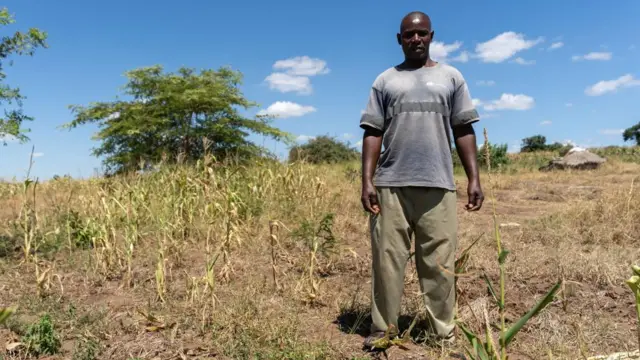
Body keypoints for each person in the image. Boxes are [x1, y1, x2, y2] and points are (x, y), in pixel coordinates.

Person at [359, 10, 484, 348]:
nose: (416, 39)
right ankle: (384, 331)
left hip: (439, 184)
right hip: (390, 185)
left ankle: (443, 334)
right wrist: (366, 181)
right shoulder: (385, 80)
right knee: (387, 262)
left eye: (422, 33)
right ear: (399, 40)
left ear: (431, 36)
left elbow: (463, 128)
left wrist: (474, 178)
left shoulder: (451, 77)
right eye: (409, 34)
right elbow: (372, 131)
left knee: (440, 264)